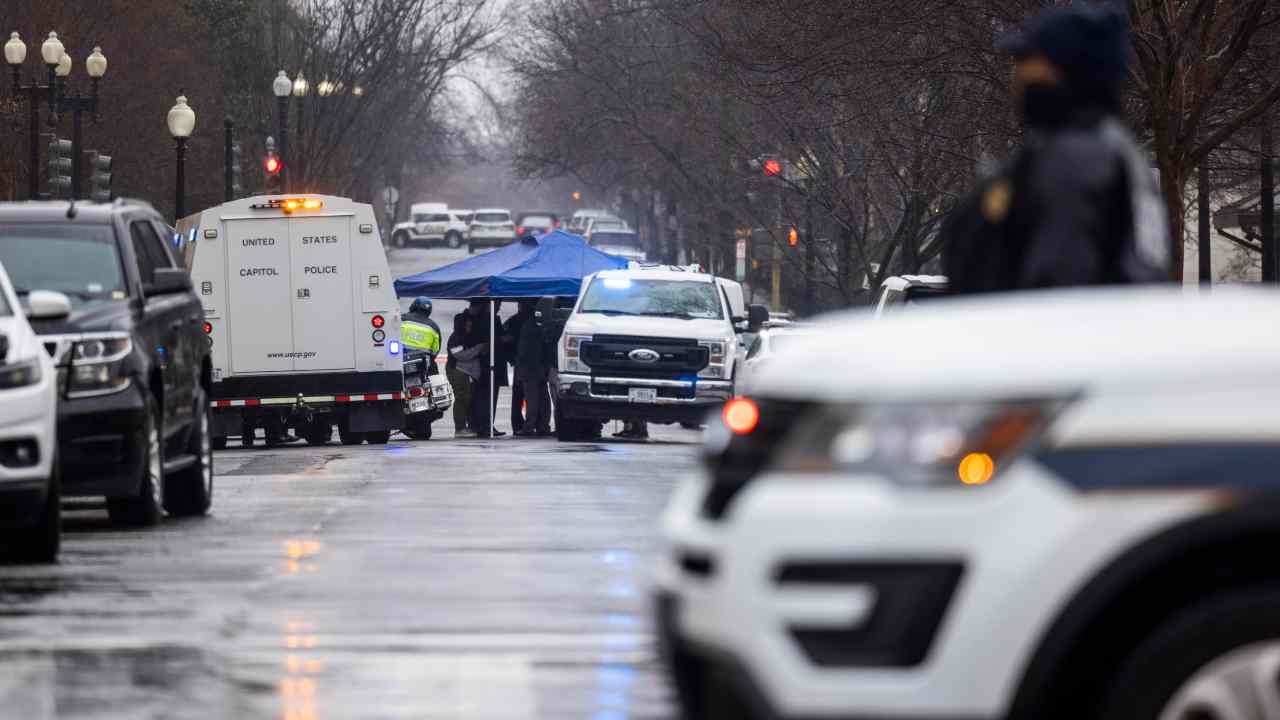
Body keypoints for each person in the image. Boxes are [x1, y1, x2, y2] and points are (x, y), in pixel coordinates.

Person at [941, 4, 1169, 295]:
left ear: (1067, 71)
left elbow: (1056, 294)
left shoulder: (1074, 163)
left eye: (1027, 61)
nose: (1017, 75)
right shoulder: (1117, 153)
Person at [467, 299, 508, 438]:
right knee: (487, 396)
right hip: (490, 365)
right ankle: (486, 425)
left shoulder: (481, 319)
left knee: (482, 396)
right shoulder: (490, 320)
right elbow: (496, 340)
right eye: (497, 305)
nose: (499, 308)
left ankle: (483, 424)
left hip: (486, 365)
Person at [514, 299, 553, 437]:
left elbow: (523, 351)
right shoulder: (543, 326)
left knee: (532, 399)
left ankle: (529, 427)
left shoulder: (528, 326)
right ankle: (543, 426)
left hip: (530, 369)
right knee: (543, 399)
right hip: (540, 368)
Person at [446, 312, 479, 438]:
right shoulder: (456, 338)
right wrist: (478, 349)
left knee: (466, 398)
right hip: (457, 370)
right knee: (462, 398)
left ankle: (463, 426)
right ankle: (459, 428)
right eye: (467, 326)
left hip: (463, 371)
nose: (469, 329)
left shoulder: (464, 336)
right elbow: (461, 355)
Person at [504, 301, 534, 433]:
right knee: (529, 395)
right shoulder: (531, 321)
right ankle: (522, 424)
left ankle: (517, 424)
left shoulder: (514, 320)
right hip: (525, 363)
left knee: (519, 395)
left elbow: (504, 339)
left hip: (519, 363)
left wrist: (511, 358)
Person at [402, 297, 442, 382]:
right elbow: (435, 351)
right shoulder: (433, 326)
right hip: (422, 364)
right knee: (434, 380)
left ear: (413, 306)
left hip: (401, 360)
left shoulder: (403, 319)